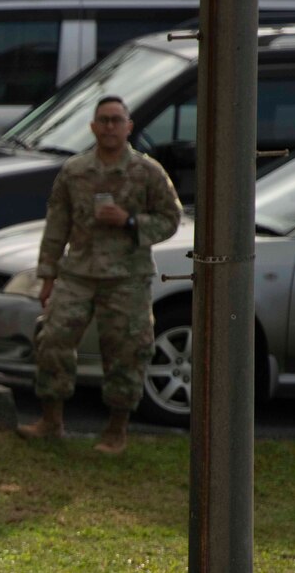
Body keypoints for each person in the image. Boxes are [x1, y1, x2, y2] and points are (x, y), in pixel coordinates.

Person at [18, 95, 183, 454]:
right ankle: (51, 419)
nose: (110, 127)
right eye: (103, 120)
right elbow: (57, 223)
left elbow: (172, 219)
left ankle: (116, 430)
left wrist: (131, 221)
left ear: (129, 127)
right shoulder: (75, 171)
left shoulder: (147, 172)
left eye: (116, 120)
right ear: (93, 126)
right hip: (78, 272)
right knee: (53, 339)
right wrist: (47, 276)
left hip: (127, 276)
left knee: (127, 350)